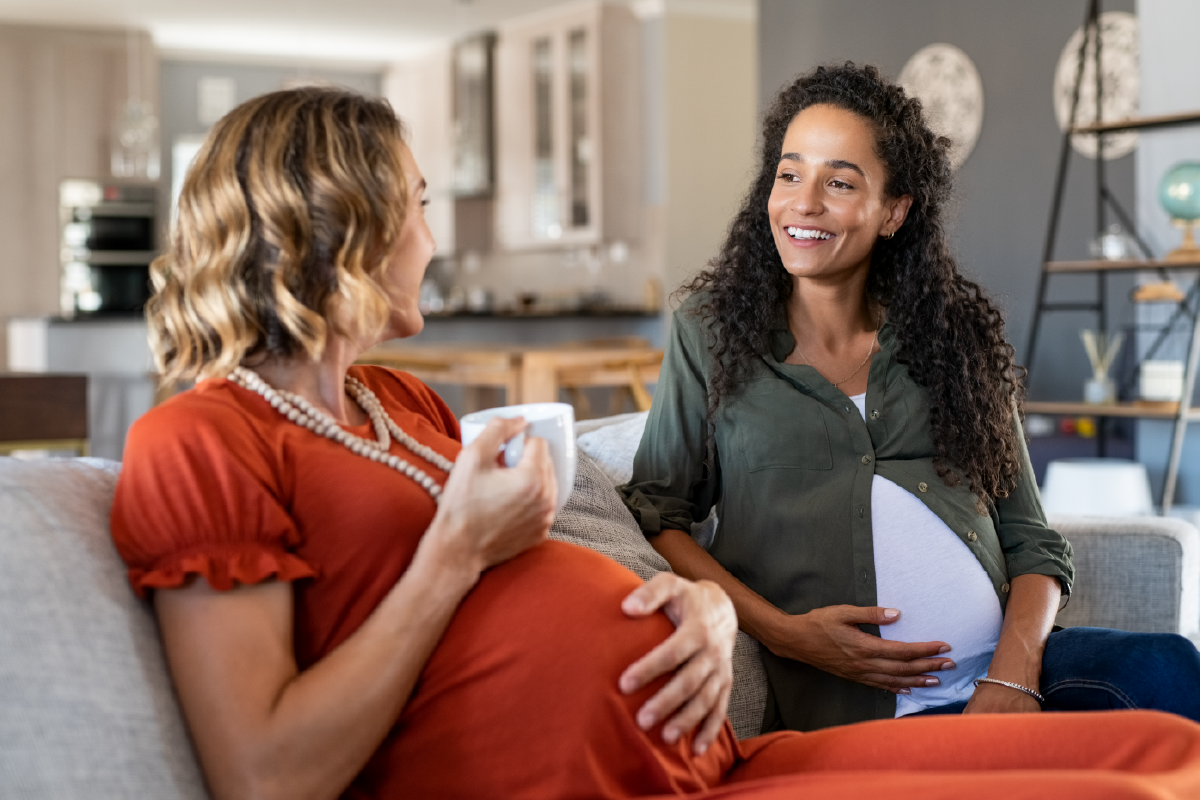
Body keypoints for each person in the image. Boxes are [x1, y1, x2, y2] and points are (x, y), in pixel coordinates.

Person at [110, 85, 1200, 800]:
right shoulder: (199, 442)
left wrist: (712, 605)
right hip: (630, 778)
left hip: (713, 753)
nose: (435, 238)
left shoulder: (398, 404)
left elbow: (569, 569)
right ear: (341, 224)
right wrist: (456, 549)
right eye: (422, 204)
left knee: (1167, 747)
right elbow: (265, 775)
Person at [619, 62, 1200, 734]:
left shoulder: (953, 335)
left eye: (839, 182)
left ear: (893, 212)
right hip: (856, 715)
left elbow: (1033, 541)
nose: (803, 202)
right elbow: (660, 514)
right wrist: (785, 633)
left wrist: (1011, 678)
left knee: (1168, 668)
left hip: (1009, 683)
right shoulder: (709, 333)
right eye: (789, 173)